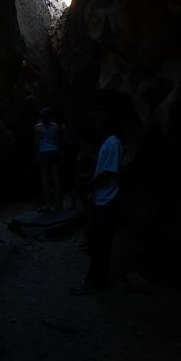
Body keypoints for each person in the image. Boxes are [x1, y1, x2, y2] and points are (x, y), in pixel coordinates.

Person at [70, 111, 123, 293]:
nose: (96, 122)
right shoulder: (108, 143)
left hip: (107, 201)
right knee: (100, 243)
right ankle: (100, 279)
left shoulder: (113, 143)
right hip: (102, 199)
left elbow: (107, 171)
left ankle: (93, 281)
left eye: (99, 118)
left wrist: (90, 186)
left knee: (99, 243)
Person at [34, 107, 62, 211]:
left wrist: (36, 155)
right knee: (55, 178)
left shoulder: (37, 127)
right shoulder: (55, 126)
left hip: (43, 153)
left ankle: (47, 205)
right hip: (53, 152)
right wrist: (59, 153)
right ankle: (58, 204)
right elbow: (58, 142)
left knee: (45, 179)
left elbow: (36, 143)